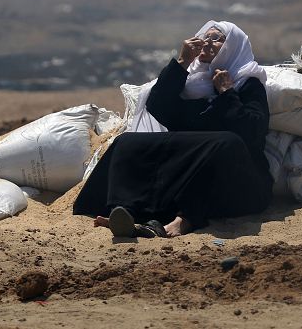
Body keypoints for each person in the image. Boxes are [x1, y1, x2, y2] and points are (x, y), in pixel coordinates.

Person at [73, 20, 272, 238]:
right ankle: (124, 211)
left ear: (233, 46)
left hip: (240, 181)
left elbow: (253, 132)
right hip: (186, 171)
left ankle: (184, 220)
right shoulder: (192, 84)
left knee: (227, 142)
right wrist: (183, 62)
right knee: (128, 141)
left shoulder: (247, 83)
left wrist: (227, 93)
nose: (207, 43)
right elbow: (159, 107)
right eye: (205, 37)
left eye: (216, 39)